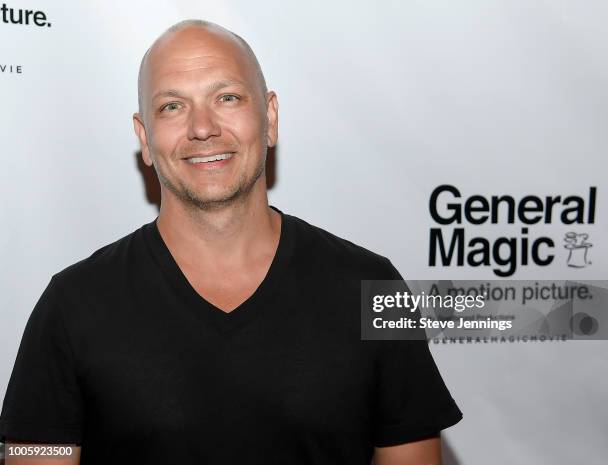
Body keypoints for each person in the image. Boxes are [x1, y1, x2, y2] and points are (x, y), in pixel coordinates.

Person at [0, 20, 462, 465]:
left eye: (227, 97)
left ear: (271, 116)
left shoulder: (374, 287)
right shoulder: (71, 304)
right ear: (144, 137)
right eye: (172, 106)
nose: (203, 127)